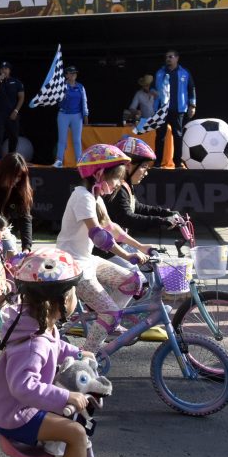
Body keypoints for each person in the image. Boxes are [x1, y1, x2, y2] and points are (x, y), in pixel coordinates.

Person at [0, 248, 117, 457]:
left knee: (79, 417)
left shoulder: (37, 322)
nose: (77, 299)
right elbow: (23, 386)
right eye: (75, 294)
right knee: (75, 432)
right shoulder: (33, 342)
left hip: (12, 406)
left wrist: (79, 353)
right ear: (63, 299)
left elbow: (55, 346)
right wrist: (66, 397)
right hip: (14, 415)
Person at [58, 144, 152, 353]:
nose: (119, 182)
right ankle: (86, 356)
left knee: (133, 281)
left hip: (86, 260)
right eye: (116, 177)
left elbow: (112, 228)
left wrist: (141, 246)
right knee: (111, 312)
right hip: (72, 266)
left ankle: (107, 322)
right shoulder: (82, 197)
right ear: (100, 174)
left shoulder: (95, 197)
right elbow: (99, 236)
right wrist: (127, 254)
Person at [100, 136, 180, 244]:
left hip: (115, 246)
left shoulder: (124, 185)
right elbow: (127, 218)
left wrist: (165, 213)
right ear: (127, 166)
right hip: (107, 251)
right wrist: (161, 221)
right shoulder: (116, 189)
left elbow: (137, 207)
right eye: (144, 167)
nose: (146, 173)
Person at [151, 50, 196, 168]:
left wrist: (192, 105)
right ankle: (157, 162)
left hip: (178, 109)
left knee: (178, 135)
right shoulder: (159, 72)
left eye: (170, 57)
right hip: (161, 110)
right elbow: (152, 88)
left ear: (177, 58)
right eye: (166, 57)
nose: (168, 59)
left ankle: (177, 162)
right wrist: (153, 92)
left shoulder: (184, 73)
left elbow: (192, 89)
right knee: (160, 136)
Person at [0, 62, 24, 160]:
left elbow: (21, 97)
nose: (4, 70)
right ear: (0, 71)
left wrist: (16, 111)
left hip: (12, 113)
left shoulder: (16, 82)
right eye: (2, 69)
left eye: (6, 69)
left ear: (9, 70)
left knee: (14, 136)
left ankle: (12, 158)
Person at [53, 66, 89, 168]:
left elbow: (84, 102)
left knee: (77, 140)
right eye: (71, 73)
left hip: (77, 116)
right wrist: (60, 93)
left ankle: (79, 161)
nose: (73, 75)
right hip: (63, 114)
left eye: (75, 73)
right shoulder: (61, 86)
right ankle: (59, 160)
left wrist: (86, 114)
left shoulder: (81, 87)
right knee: (62, 139)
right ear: (66, 75)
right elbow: (56, 99)